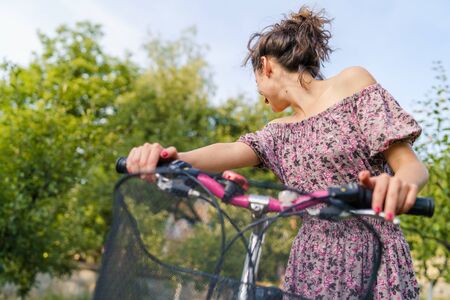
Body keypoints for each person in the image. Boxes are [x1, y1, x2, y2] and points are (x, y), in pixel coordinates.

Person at [126, 5, 428, 299]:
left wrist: (400, 185)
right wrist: (168, 159)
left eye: (257, 82)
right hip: (313, 261)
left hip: (373, 250)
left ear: (266, 66)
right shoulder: (277, 133)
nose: (261, 99)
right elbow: (231, 149)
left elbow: (412, 167)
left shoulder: (353, 82)